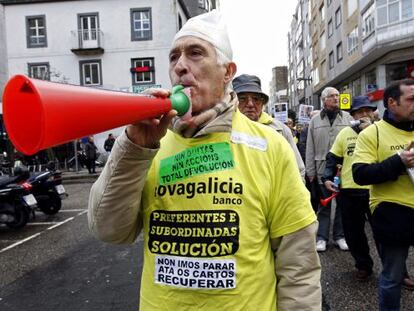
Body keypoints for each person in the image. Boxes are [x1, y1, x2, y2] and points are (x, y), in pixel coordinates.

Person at [88, 10, 321, 311]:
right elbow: (108, 230)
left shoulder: (270, 145)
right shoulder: (147, 144)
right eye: (173, 58)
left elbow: (298, 262)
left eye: (196, 53)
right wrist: (133, 147)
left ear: (227, 72)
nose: (181, 66)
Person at [352, 79, 414, 310]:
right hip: (392, 211)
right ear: (391, 102)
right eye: (410, 100)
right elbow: (360, 174)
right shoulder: (372, 134)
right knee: (393, 276)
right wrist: (399, 162)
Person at [322, 96, 377, 280]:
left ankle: (398, 271)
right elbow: (333, 158)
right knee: (353, 233)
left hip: (376, 190)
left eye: (368, 110)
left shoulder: (380, 131)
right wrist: (327, 178)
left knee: (385, 232)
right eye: (360, 112)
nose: (365, 114)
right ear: (353, 115)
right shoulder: (345, 133)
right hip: (349, 191)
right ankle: (363, 265)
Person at [305, 86, 353, 252]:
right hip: (321, 169)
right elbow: (310, 147)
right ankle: (322, 238)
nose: (336, 98)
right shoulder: (315, 121)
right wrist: (310, 171)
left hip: (343, 170)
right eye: (332, 96)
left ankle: (340, 236)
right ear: (324, 100)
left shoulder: (348, 118)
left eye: (337, 95)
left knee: (341, 205)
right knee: (323, 205)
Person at [232, 74, 305, 181]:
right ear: (232, 101)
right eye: (242, 99)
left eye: (256, 99)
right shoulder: (222, 129)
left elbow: (298, 170)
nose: (250, 104)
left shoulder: (281, 130)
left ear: (262, 103)